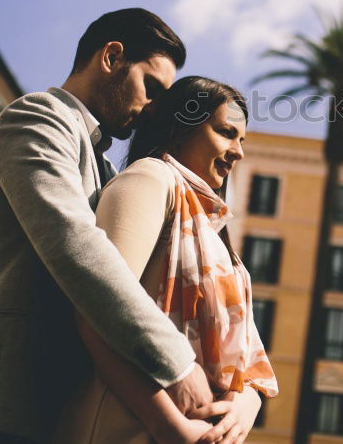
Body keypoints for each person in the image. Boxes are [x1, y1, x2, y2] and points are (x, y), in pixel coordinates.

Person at [0, 9, 216, 443]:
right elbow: (76, 247)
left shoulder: (108, 169)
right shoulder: (38, 117)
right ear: (112, 57)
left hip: (55, 413)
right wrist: (177, 363)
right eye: (151, 87)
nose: (153, 108)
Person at [55, 76, 278, 444]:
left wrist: (245, 403)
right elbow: (97, 311)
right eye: (225, 132)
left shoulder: (213, 228)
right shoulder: (150, 180)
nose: (238, 151)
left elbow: (248, 360)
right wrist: (166, 424)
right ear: (178, 128)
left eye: (242, 140)